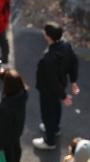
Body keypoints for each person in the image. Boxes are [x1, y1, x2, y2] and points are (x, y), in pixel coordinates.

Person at [33, 22, 80, 151]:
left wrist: (64, 96)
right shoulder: (66, 46)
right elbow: (73, 62)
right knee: (56, 108)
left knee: (48, 113)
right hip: (60, 85)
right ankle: (55, 128)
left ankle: (49, 141)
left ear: (48, 37)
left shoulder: (48, 59)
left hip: (48, 90)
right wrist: (73, 81)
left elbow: (51, 81)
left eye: (45, 33)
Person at [0, 68, 28, 162]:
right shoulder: (23, 93)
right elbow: (13, 83)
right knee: (17, 146)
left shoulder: (6, 107)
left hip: (8, 134)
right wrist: (2, 75)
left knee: (9, 153)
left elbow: (1, 129)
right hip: (18, 127)